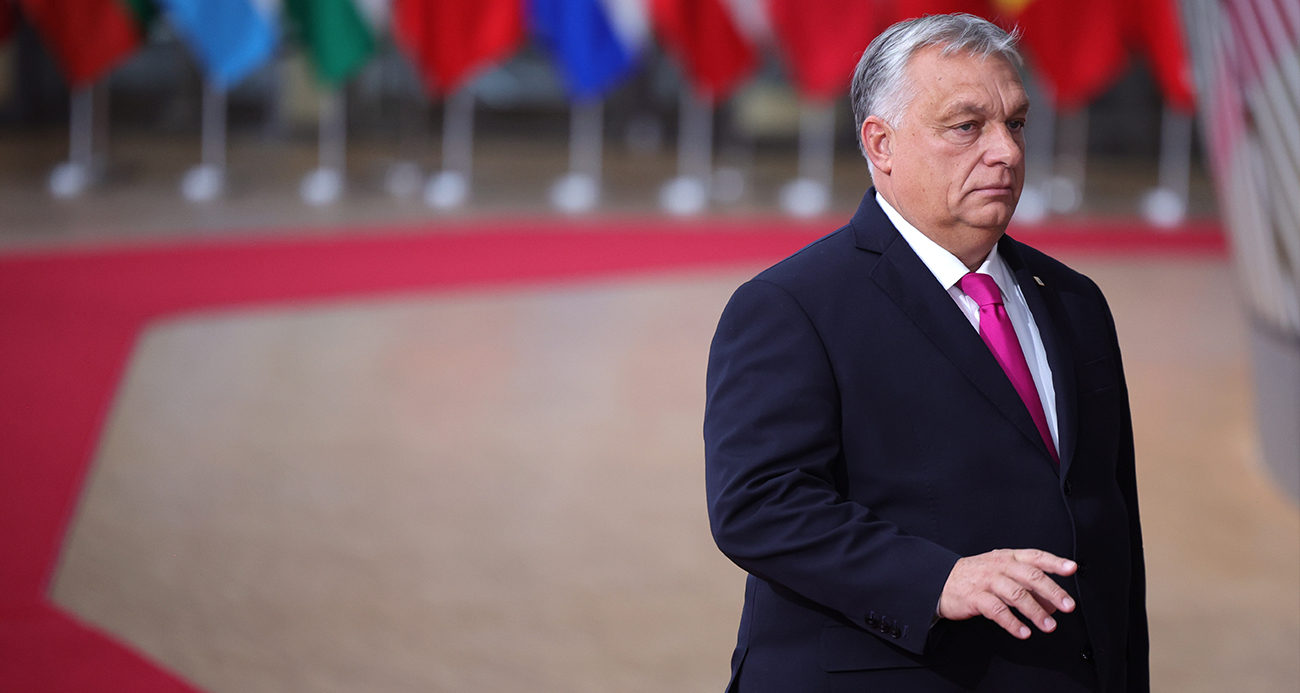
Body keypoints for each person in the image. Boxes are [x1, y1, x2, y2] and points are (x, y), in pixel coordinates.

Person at [703, 13, 1148, 692]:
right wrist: (937, 579)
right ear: (881, 144)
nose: (1005, 151)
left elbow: (1111, 521)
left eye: (1016, 123)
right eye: (967, 126)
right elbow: (759, 504)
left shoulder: (1075, 301)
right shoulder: (791, 305)